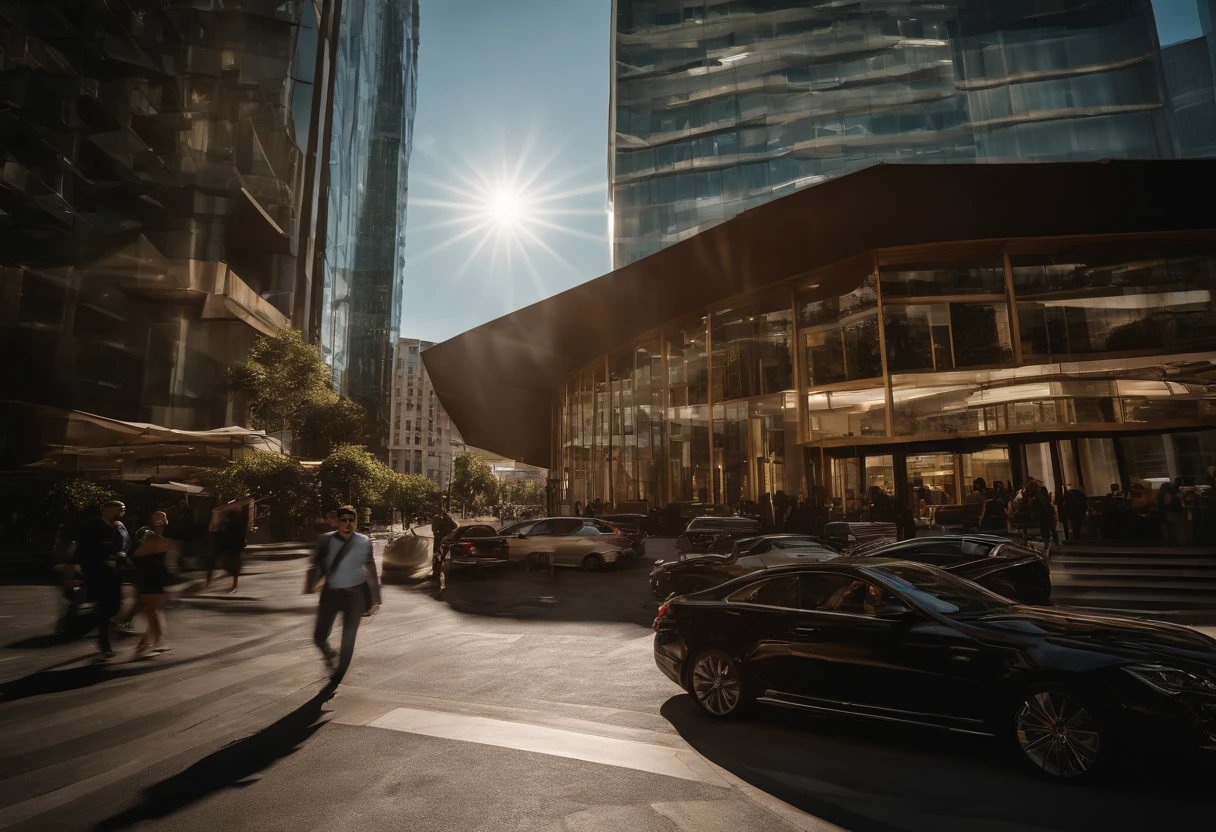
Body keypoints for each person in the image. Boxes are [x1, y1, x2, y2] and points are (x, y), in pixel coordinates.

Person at [306, 505, 381, 698]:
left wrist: (374, 599)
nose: (348, 524)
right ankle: (331, 654)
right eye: (344, 520)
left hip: (355, 597)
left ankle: (336, 678)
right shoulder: (325, 540)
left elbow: (371, 567)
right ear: (337, 522)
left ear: (356, 522)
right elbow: (315, 562)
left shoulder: (364, 541)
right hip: (330, 594)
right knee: (319, 637)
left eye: (352, 520)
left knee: (348, 640)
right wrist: (312, 582)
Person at [74, 500, 130, 660]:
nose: (121, 512)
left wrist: (121, 554)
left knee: (115, 605)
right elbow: (83, 548)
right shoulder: (92, 526)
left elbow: (126, 543)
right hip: (98, 572)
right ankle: (105, 644)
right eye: (117, 509)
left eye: (122, 510)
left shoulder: (119, 526)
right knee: (105, 608)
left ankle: (104, 629)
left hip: (115, 572)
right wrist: (98, 560)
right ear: (105, 510)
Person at [130, 511, 175, 658]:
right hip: (145, 573)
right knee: (150, 610)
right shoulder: (145, 531)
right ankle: (154, 640)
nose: (160, 520)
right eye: (157, 517)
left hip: (156, 573)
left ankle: (149, 642)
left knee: (151, 609)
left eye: (163, 518)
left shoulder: (164, 534)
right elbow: (143, 541)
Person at [206, 496, 253, 593]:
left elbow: (215, 526)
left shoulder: (232, 518)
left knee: (220, 560)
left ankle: (210, 582)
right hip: (230, 541)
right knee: (221, 560)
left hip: (230, 541)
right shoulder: (235, 518)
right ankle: (211, 582)